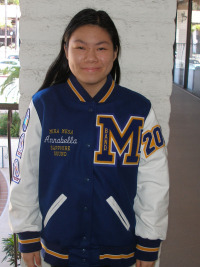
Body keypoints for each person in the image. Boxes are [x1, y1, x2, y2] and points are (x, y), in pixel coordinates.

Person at [9, 8, 169, 267]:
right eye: (80, 47)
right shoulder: (45, 106)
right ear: (66, 49)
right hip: (59, 250)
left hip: (121, 251)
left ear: (115, 52)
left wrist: (149, 242)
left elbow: (154, 182)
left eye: (102, 48)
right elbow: (24, 173)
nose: (91, 57)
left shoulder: (138, 110)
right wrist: (27, 234)